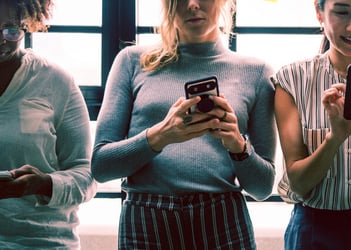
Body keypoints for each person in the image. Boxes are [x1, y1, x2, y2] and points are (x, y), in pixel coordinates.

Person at [91, 0, 276, 249]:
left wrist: (238, 145)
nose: (192, 4)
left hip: (221, 217)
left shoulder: (257, 72)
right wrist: (161, 135)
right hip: (147, 216)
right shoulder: (132, 61)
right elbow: (101, 166)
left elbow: (262, 188)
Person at [272, 0, 351, 249]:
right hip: (313, 228)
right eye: (341, 12)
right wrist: (334, 138)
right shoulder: (292, 78)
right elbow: (298, 183)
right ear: (319, 13)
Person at [0, 0, 97, 249]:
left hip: (42, 242)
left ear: (27, 24)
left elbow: (87, 175)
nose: (1, 40)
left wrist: (44, 184)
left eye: (11, 30)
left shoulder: (54, 81)